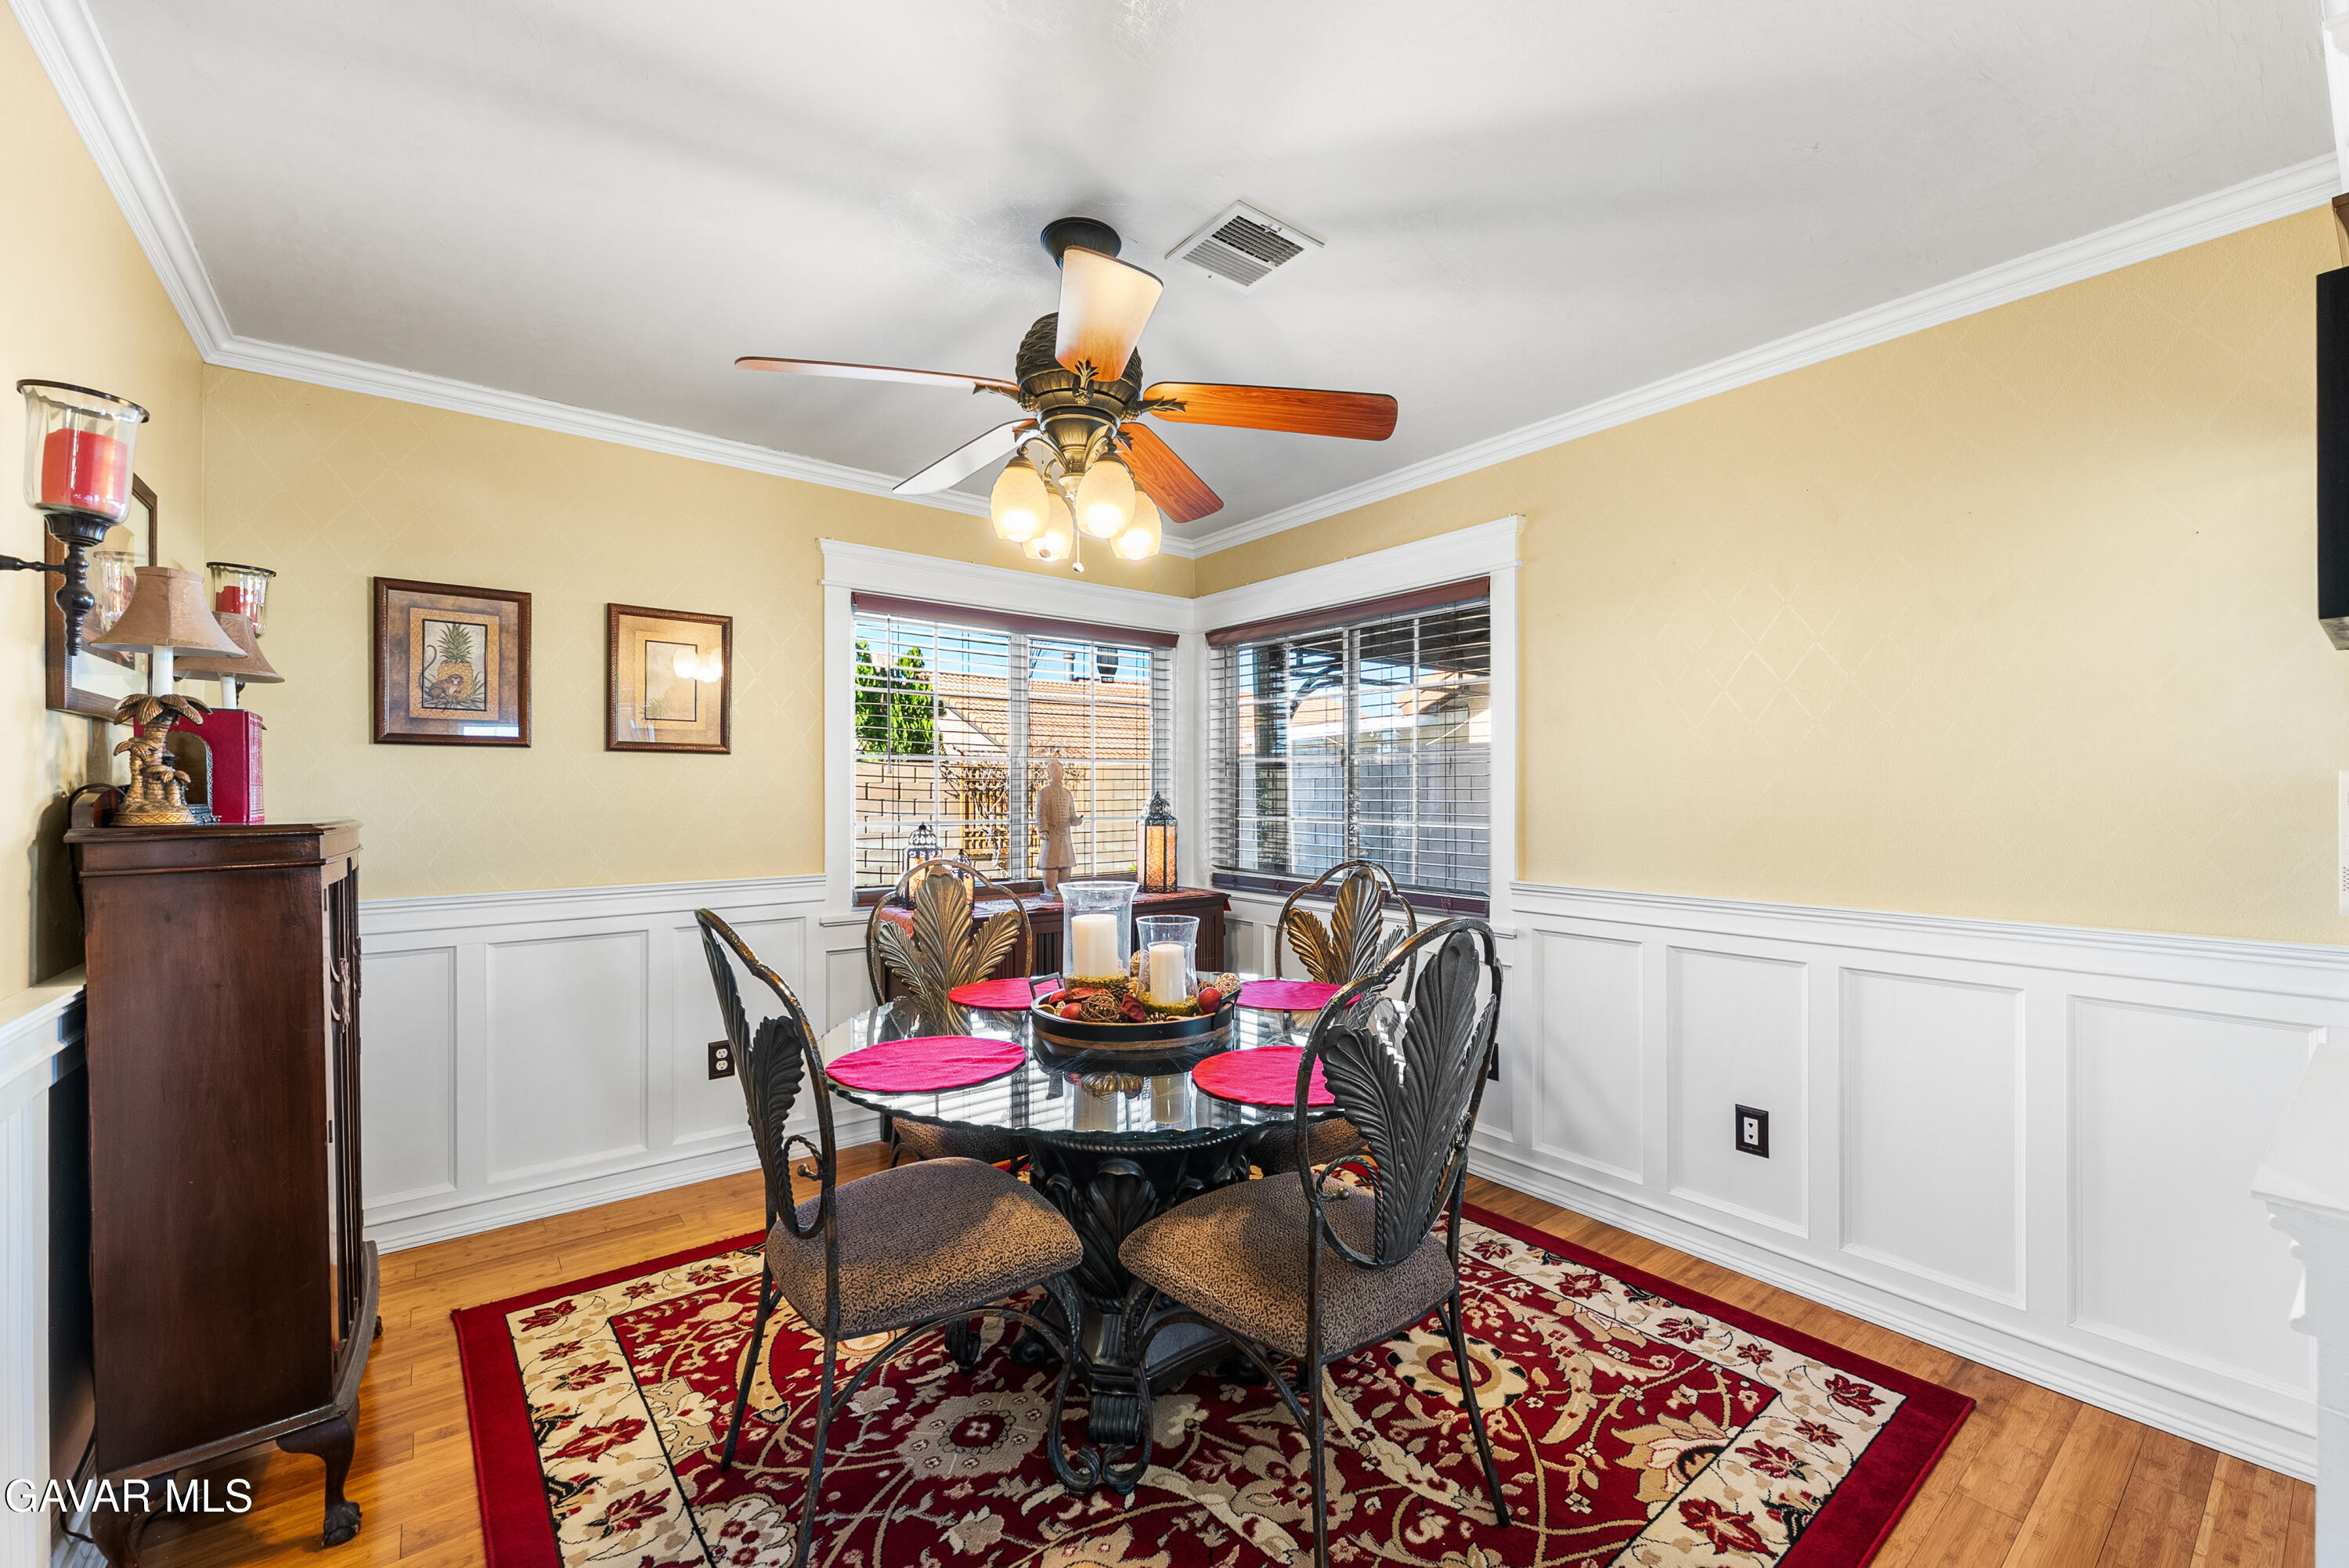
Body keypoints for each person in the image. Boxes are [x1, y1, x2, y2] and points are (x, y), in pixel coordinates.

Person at [1037, 755, 1081, 893]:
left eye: (1060, 771)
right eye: (1055, 771)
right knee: (1051, 863)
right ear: (1049, 773)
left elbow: (1071, 814)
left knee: (1066, 864)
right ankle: (1050, 888)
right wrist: (1043, 830)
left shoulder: (1067, 794)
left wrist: (1076, 820)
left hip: (1065, 834)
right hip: (1052, 833)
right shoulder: (1045, 792)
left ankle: (1064, 888)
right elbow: (1041, 813)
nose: (1058, 774)